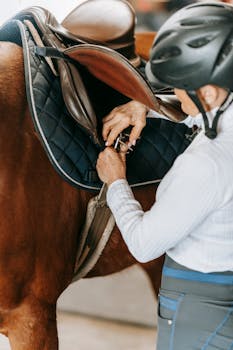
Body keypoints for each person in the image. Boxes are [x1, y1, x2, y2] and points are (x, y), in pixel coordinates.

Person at [96, 2, 233, 349]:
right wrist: (147, 105)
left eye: (182, 87)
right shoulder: (224, 116)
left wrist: (116, 182)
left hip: (196, 307)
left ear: (209, 93)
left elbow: (144, 245)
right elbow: (202, 118)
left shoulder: (206, 162)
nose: (176, 94)